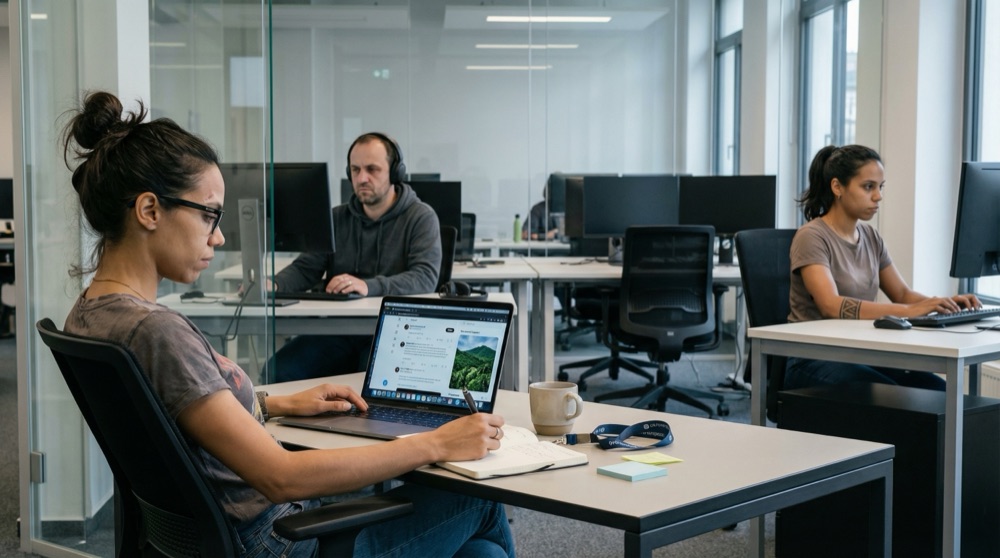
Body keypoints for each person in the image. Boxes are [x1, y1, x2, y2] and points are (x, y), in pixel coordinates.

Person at [60, 91, 515, 558]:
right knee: (477, 500)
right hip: (280, 543)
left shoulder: (91, 315)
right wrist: (436, 442)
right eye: (209, 214)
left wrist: (279, 402)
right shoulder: (156, 333)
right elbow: (281, 477)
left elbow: (176, 412)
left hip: (205, 537)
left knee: (484, 555)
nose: (217, 236)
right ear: (150, 211)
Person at [785, 144, 981, 390]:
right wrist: (909, 310)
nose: (878, 196)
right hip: (812, 359)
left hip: (861, 353)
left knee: (939, 391)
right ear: (837, 187)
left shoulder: (870, 236)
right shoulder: (812, 236)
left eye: (880, 187)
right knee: (898, 397)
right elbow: (830, 305)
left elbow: (902, 294)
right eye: (868, 187)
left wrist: (943, 305)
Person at [269, 132, 442, 381]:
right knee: (278, 371)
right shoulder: (336, 218)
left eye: (372, 169)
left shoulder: (420, 217)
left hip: (393, 332)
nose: (362, 178)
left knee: (368, 383)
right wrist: (273, 284)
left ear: (395, 173)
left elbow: (425, 278)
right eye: (355, 169)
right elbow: (306, 267)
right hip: (337, 330)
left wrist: (366, 286)